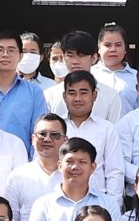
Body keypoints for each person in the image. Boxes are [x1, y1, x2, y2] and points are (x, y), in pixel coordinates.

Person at [23, 138, 112, 221]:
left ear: (93, 167)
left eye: (82, 162)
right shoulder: (43, 205)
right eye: (69, 162)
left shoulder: (108, 204)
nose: (75, 167)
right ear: (59, 166)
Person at [55, 68, 128, 205]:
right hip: (60, 202)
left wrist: (113, 206)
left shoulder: (106, 129)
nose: (77, 98)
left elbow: (114, 172)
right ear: (64, 96)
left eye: (83, 93)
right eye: (72, 93)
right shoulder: (55, 128)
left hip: (97, 203)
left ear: (94, 96)